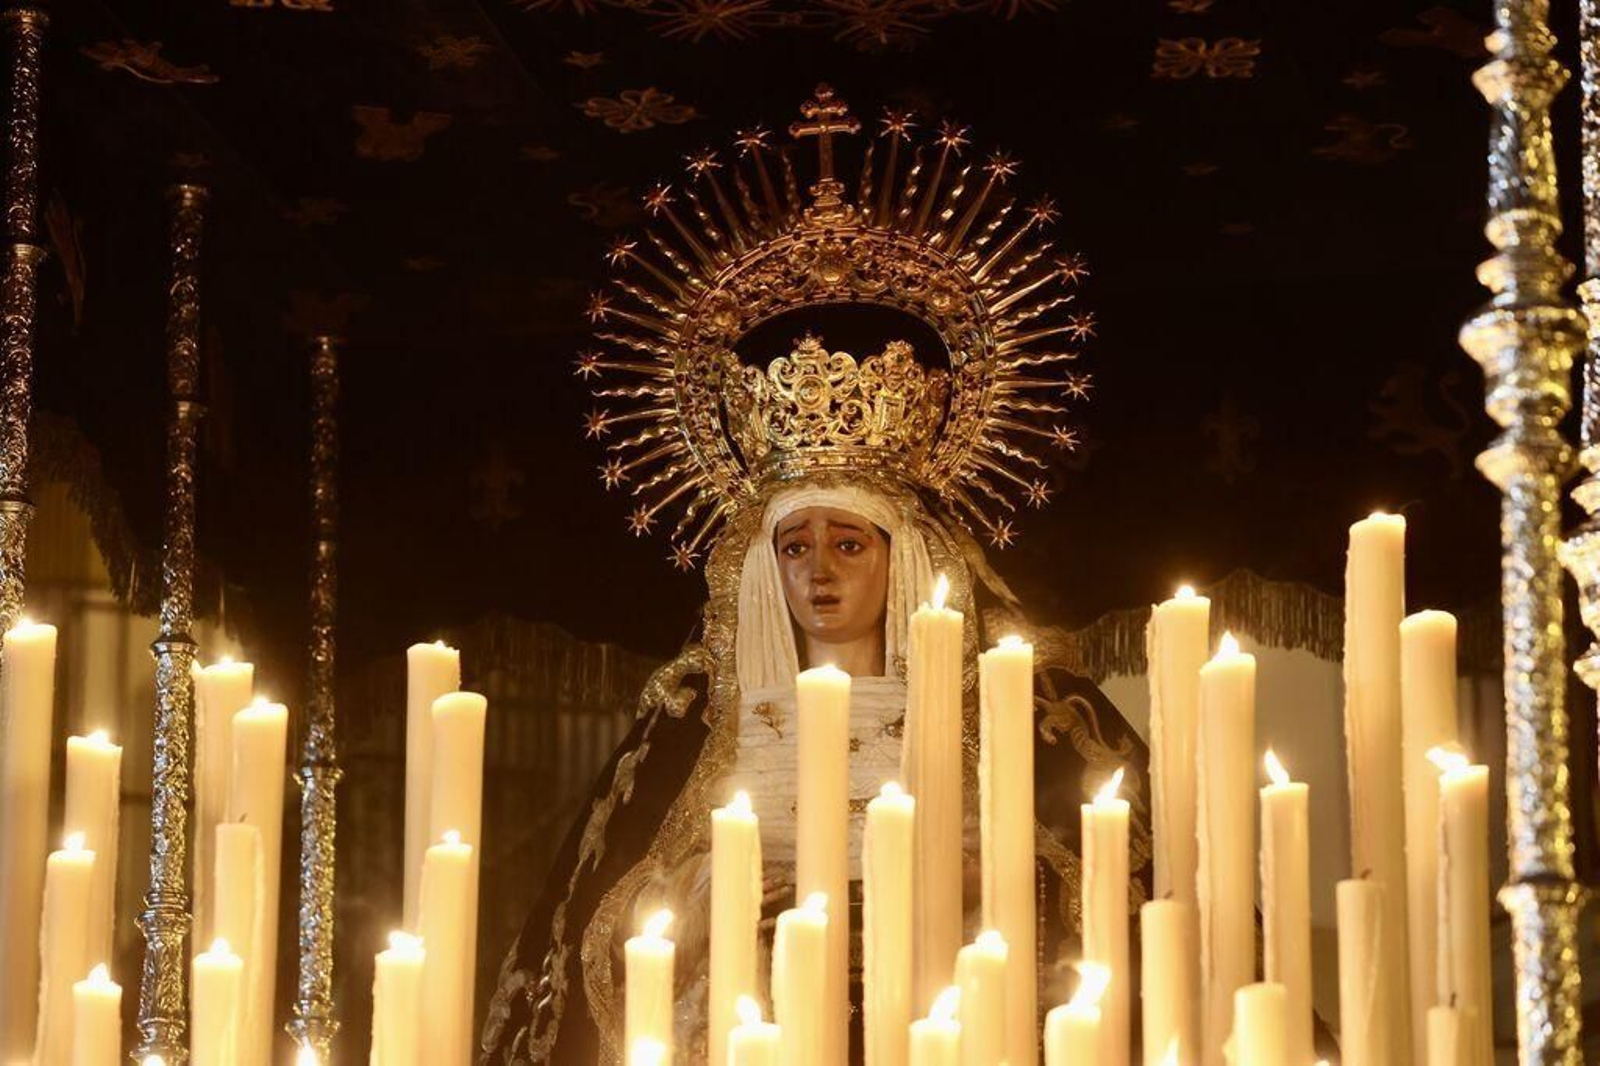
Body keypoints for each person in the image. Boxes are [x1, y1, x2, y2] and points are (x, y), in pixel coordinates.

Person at [479, 88, 1149, 1064]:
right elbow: (611, 931)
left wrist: (981, 880)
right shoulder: (705, 719)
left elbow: (1111, 896)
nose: (821, 571)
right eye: (796, 546)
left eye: (850, 543)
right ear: (763, 567)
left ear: (903, 555)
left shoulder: (1014, 708)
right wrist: (724, 892)